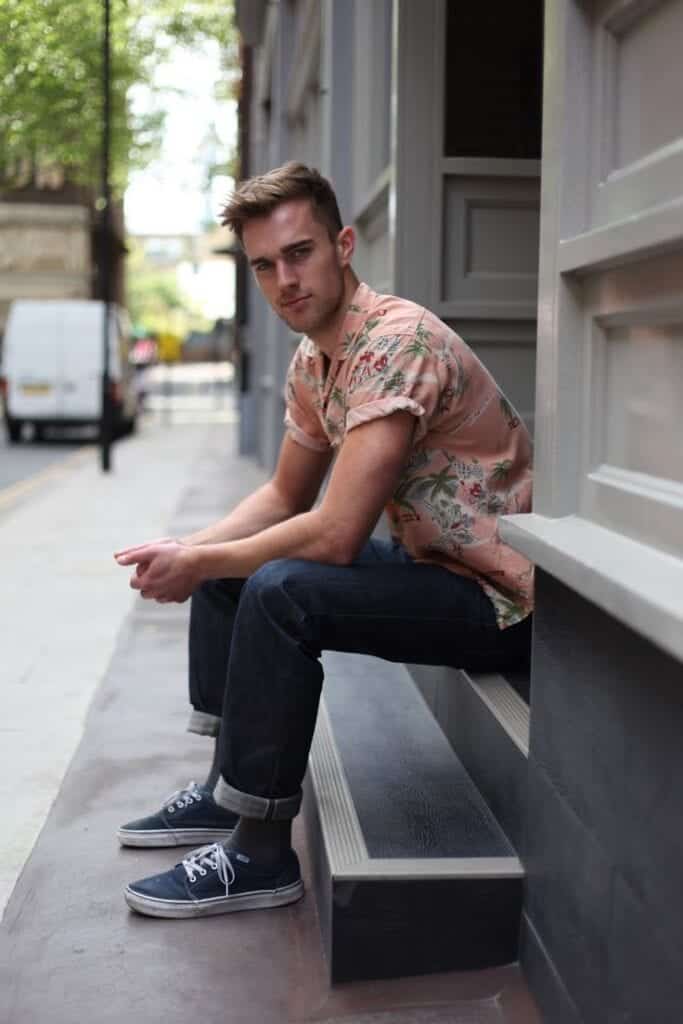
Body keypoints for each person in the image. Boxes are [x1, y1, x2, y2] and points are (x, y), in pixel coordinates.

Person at [115, 162, 533, 919]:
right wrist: (189, 548)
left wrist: (204, 555)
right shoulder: (316, 359)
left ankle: (260, 854)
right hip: (425, 565)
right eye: (264, 266)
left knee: (281, 587)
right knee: (231, 573)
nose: (284, 280)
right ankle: (224, 791)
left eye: (299, 253)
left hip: (494, 599)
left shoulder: (394, 342)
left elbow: (337, 536)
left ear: (343, 244)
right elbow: (282, 495)